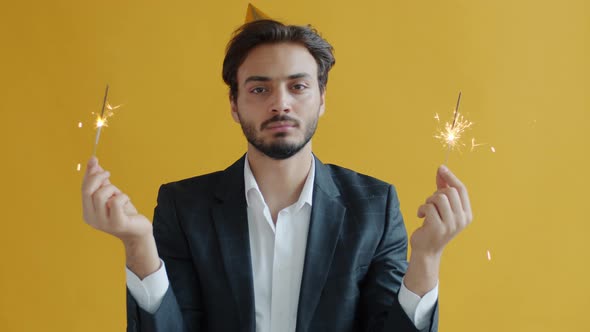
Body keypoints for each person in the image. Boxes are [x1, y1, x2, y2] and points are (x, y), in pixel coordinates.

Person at [82, 19, 472, 332]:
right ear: (234, 105)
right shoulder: (184, 207)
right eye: (259, 89)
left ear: (321, 100)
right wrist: (137, 245)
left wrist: (427, 257)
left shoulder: (374, 206)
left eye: (298, 86)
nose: (280, 103)